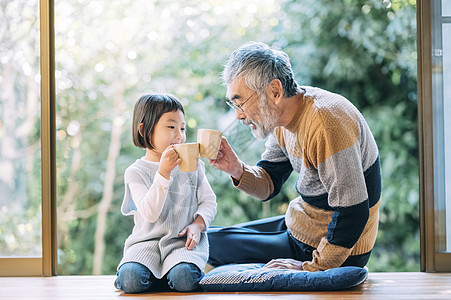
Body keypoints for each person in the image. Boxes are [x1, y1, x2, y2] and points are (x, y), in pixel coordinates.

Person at [207, 42, 381, 272]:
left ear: (275, 92)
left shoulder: (326, 122)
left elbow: (353, 212)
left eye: (241, 103)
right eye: (234, 104)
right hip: (303, 225)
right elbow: (269, 184)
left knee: (207, 244)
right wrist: (236, 168)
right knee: (204, 238)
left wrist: (310, 267)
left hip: (331, 246)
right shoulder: (282, 118)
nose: (239, 115)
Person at [115, 93, 217, 293]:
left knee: (184, 279)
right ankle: (159, 276)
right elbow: (150, 212)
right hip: (145, 245)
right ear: (144, 130)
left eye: (182, 128)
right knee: (130, 280)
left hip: (182, 245)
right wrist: (163, 172)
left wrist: (198, 225)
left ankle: (169, 275)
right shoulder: (135, 172)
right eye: (171, 127)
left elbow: (209, 202)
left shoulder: (194, 166)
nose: (179, 135)